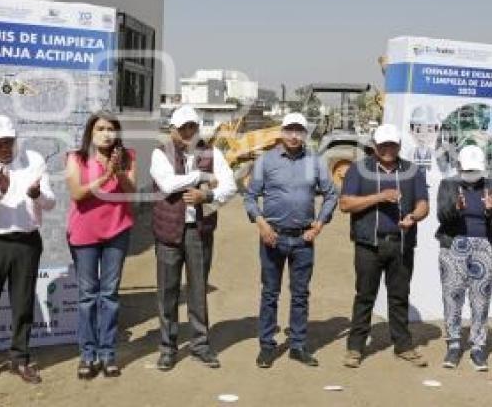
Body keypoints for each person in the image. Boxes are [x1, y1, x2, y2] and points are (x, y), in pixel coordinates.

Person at [0, 115, 56, 389]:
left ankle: (19, 358)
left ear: (16, 138)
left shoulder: (34, 160)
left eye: (8, 141)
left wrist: (37, 195)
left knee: (23, 303)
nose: (5, 147)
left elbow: (50, 203)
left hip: (27, 242)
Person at [244, 112, 338, 368]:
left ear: (305, 134)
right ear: (282, 132)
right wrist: (261, 224)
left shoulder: (315, 162)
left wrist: (319, 224)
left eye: (299, 131)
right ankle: (267, 345)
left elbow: (331, 195)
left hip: (303, 240)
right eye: (289, 130)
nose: (294, 135)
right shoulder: (266, 161)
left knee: (300, 295)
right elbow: (250, 196)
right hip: (272, 237)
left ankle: (297, 345)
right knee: (270, 293)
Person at [150, 105, 237, 370]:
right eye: (183, 128)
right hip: (168, 230)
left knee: (198, 289)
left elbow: (230, 185)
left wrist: (207, 196)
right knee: (168, 291)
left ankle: (200, 344)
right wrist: (200, 177)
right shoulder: (159, 153)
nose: (188, 132)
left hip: (199, 231)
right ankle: (168, 347)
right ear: (172, 130)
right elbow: (167, 184)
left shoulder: (212, 153)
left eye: (192, 127)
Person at [339, 123, 429, 369]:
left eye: (392, 144)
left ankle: (403, 345)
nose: (388, 149)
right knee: (365, 296)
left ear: (399, 145)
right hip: (369, 244)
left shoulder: (412, 171)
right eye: (383, 145)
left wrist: (414, 217)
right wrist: (380, 197)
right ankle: (355, 347)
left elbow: (423, 203)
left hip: (401, 244)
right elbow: (345, 204)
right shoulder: (359, 170)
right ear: (375, 145)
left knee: (399, 297)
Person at [66, 112, 136, 379]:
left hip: (117, 232)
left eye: (111, 129)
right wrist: (105, 176)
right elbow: (77, 194)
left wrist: (118, 171)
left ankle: (107, 354)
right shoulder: (77, 158)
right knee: (87, 296)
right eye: (101, 129)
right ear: (91, 133)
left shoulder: (127, 156)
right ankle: (87, 355)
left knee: (109, 295)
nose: (107, 134)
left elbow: (130, 191)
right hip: (85, 234)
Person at [435, 144, 492, 371]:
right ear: (458, 167)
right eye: (468, 170)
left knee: (480, 298)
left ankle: (478, 347)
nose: (472, 175)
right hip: (454, 246)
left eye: (476, 170)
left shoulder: (490, 185)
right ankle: (454, 345)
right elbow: (442, 216)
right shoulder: (448, 184)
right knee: (452, 296)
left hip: (483, 247)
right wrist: (456, 208)